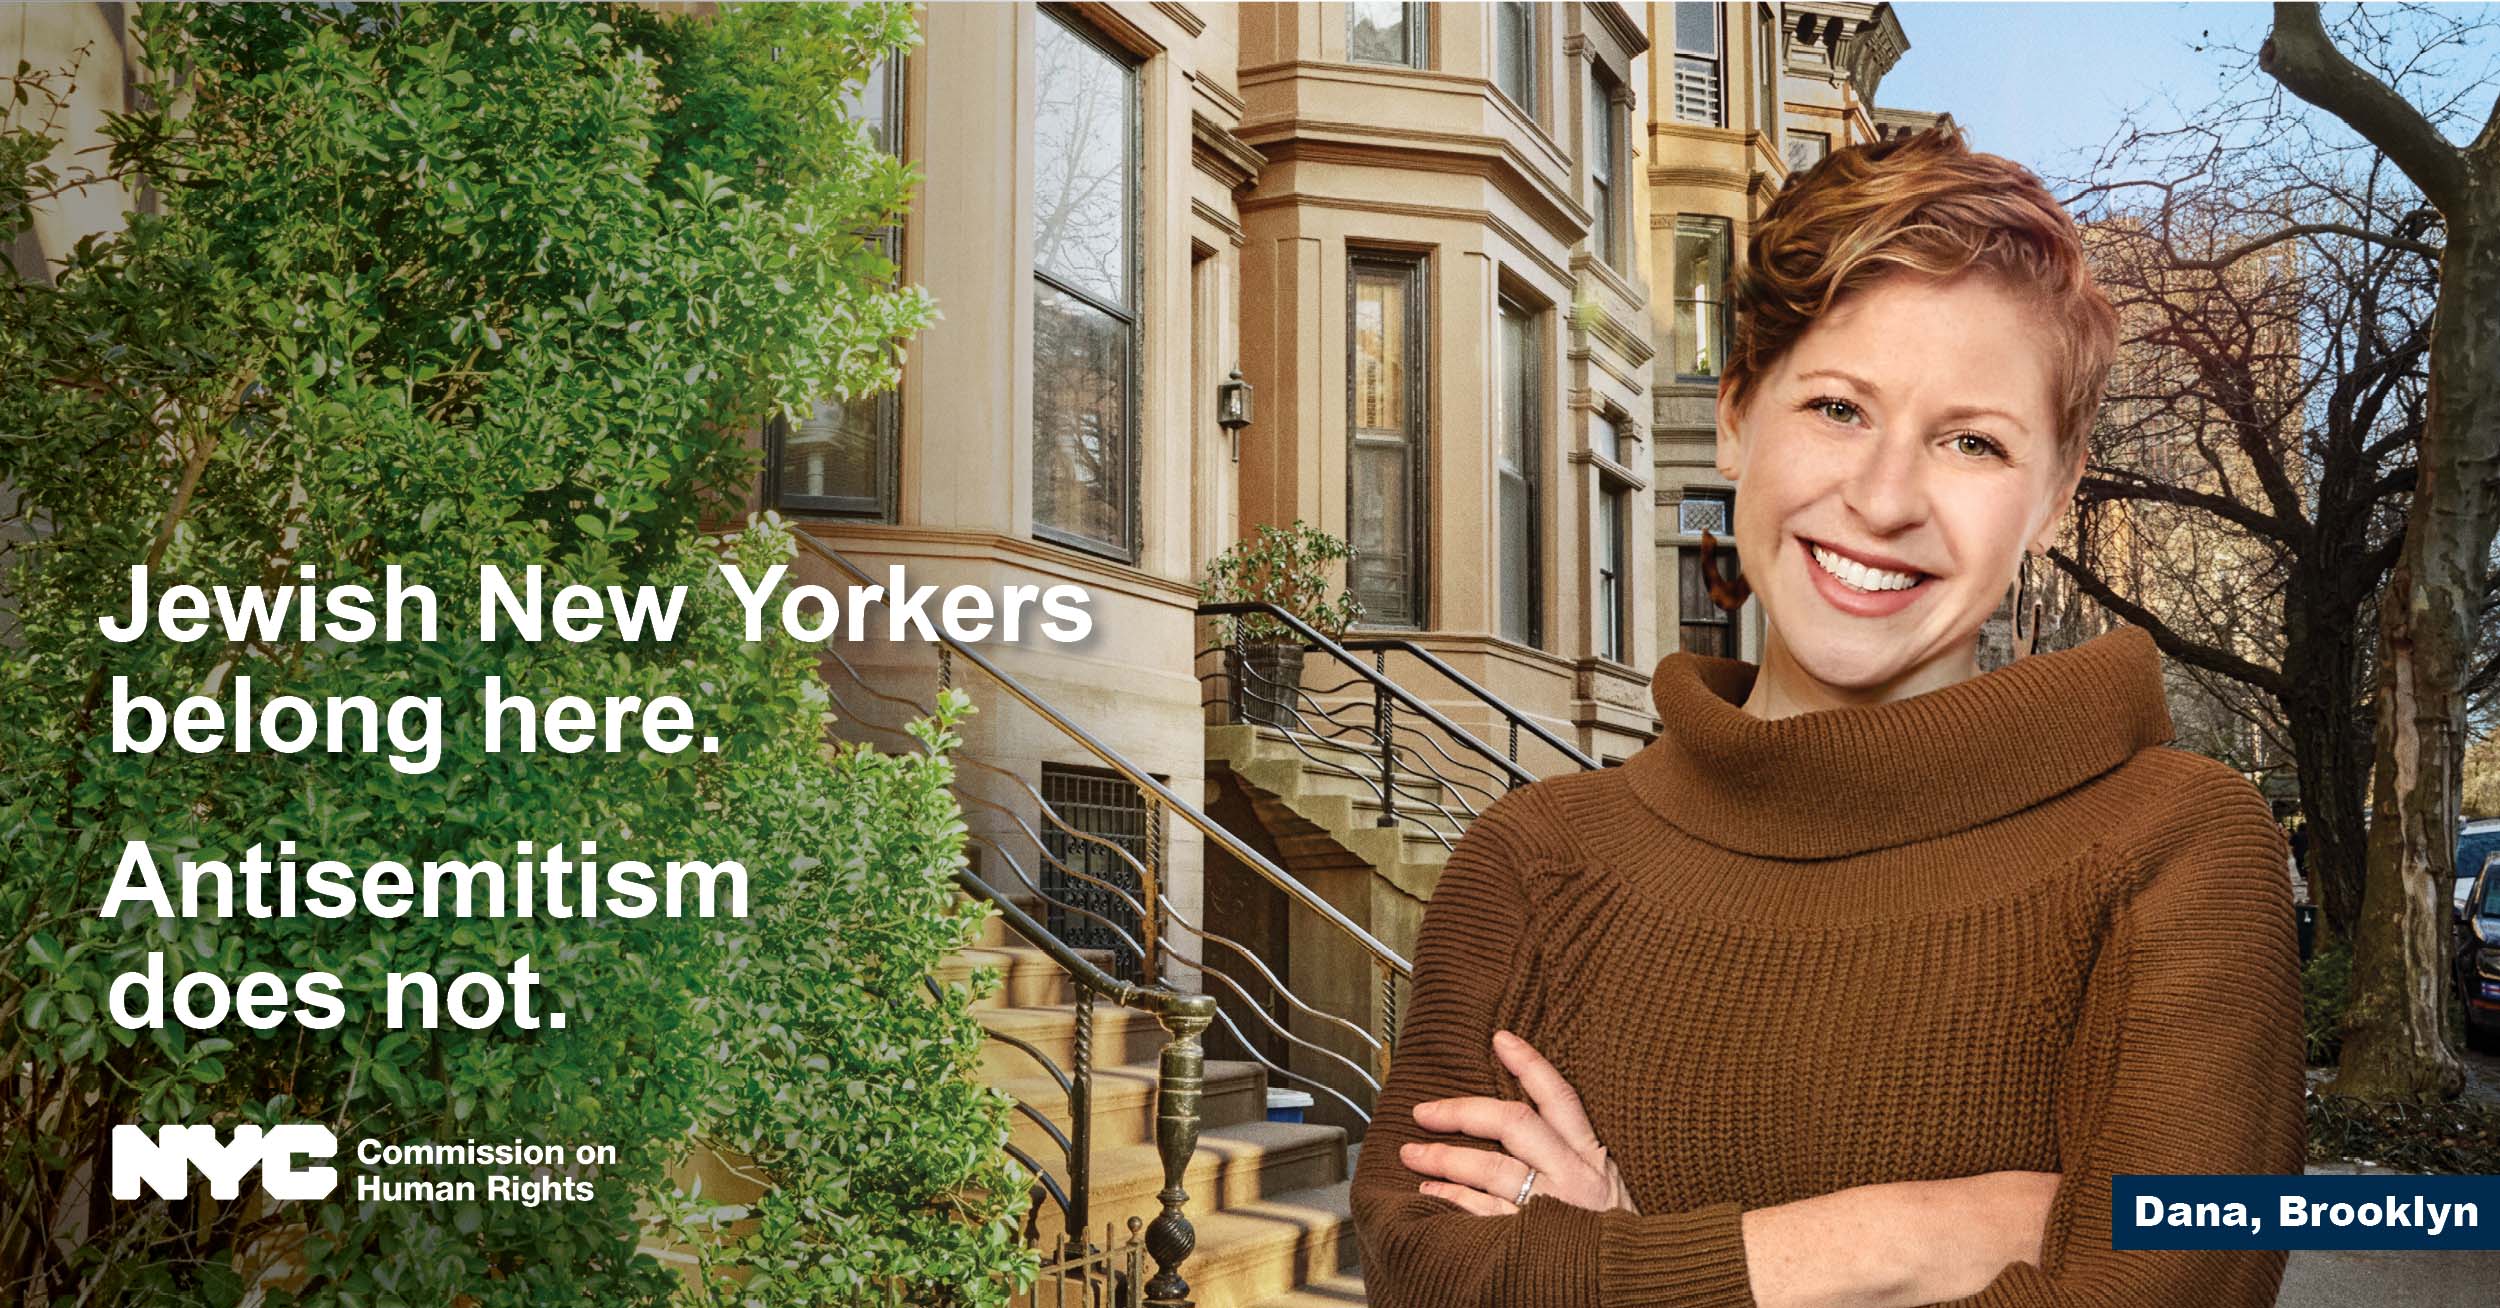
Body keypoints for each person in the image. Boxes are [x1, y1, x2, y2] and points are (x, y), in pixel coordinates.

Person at [1349, 126, 2305, 1308]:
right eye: (1840, 408)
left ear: (2052, 499)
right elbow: (1426, 1275)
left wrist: (1604, 1259)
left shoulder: (2178, 846)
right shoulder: (1534, 859)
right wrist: (1889, 1243)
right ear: (1741, 414)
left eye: (1970, 441)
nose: (1883, 498)